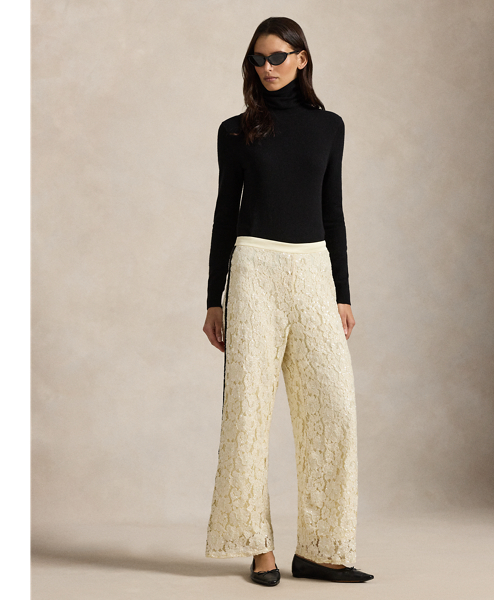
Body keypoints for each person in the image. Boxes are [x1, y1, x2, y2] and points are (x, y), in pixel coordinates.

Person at [202, 17, 374, 586]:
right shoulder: (236, 130)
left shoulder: (329, 127)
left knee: (333, 409)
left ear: (302, 58)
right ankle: (260, 549)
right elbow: (225, 215)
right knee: (248, 413)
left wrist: (341, 292)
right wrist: (214, 299)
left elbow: (333, 212)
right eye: (258, 59)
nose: (267, 68)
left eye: (277, 57)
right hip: (253, 269)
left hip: (313, 271)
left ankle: (322, 550)